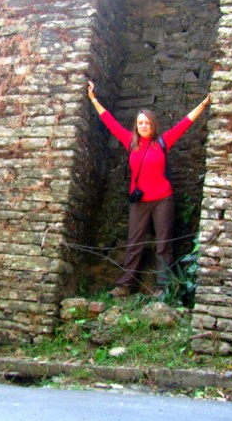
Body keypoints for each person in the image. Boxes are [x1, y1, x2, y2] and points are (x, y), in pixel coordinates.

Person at [87, 80, 211, 298]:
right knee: (134, 243)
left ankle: (163, 287)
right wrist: (93, 99)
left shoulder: (163, 142)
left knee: (163, 244)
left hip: (163, 199)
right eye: (139, 123)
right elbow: (109, 121)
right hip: (139, 201)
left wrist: (203, 104)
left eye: (146, 123)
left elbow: (185, 123)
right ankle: (125, 285)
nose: (143, 126)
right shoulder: (130, 142)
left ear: (153, 125)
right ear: (136, 126)